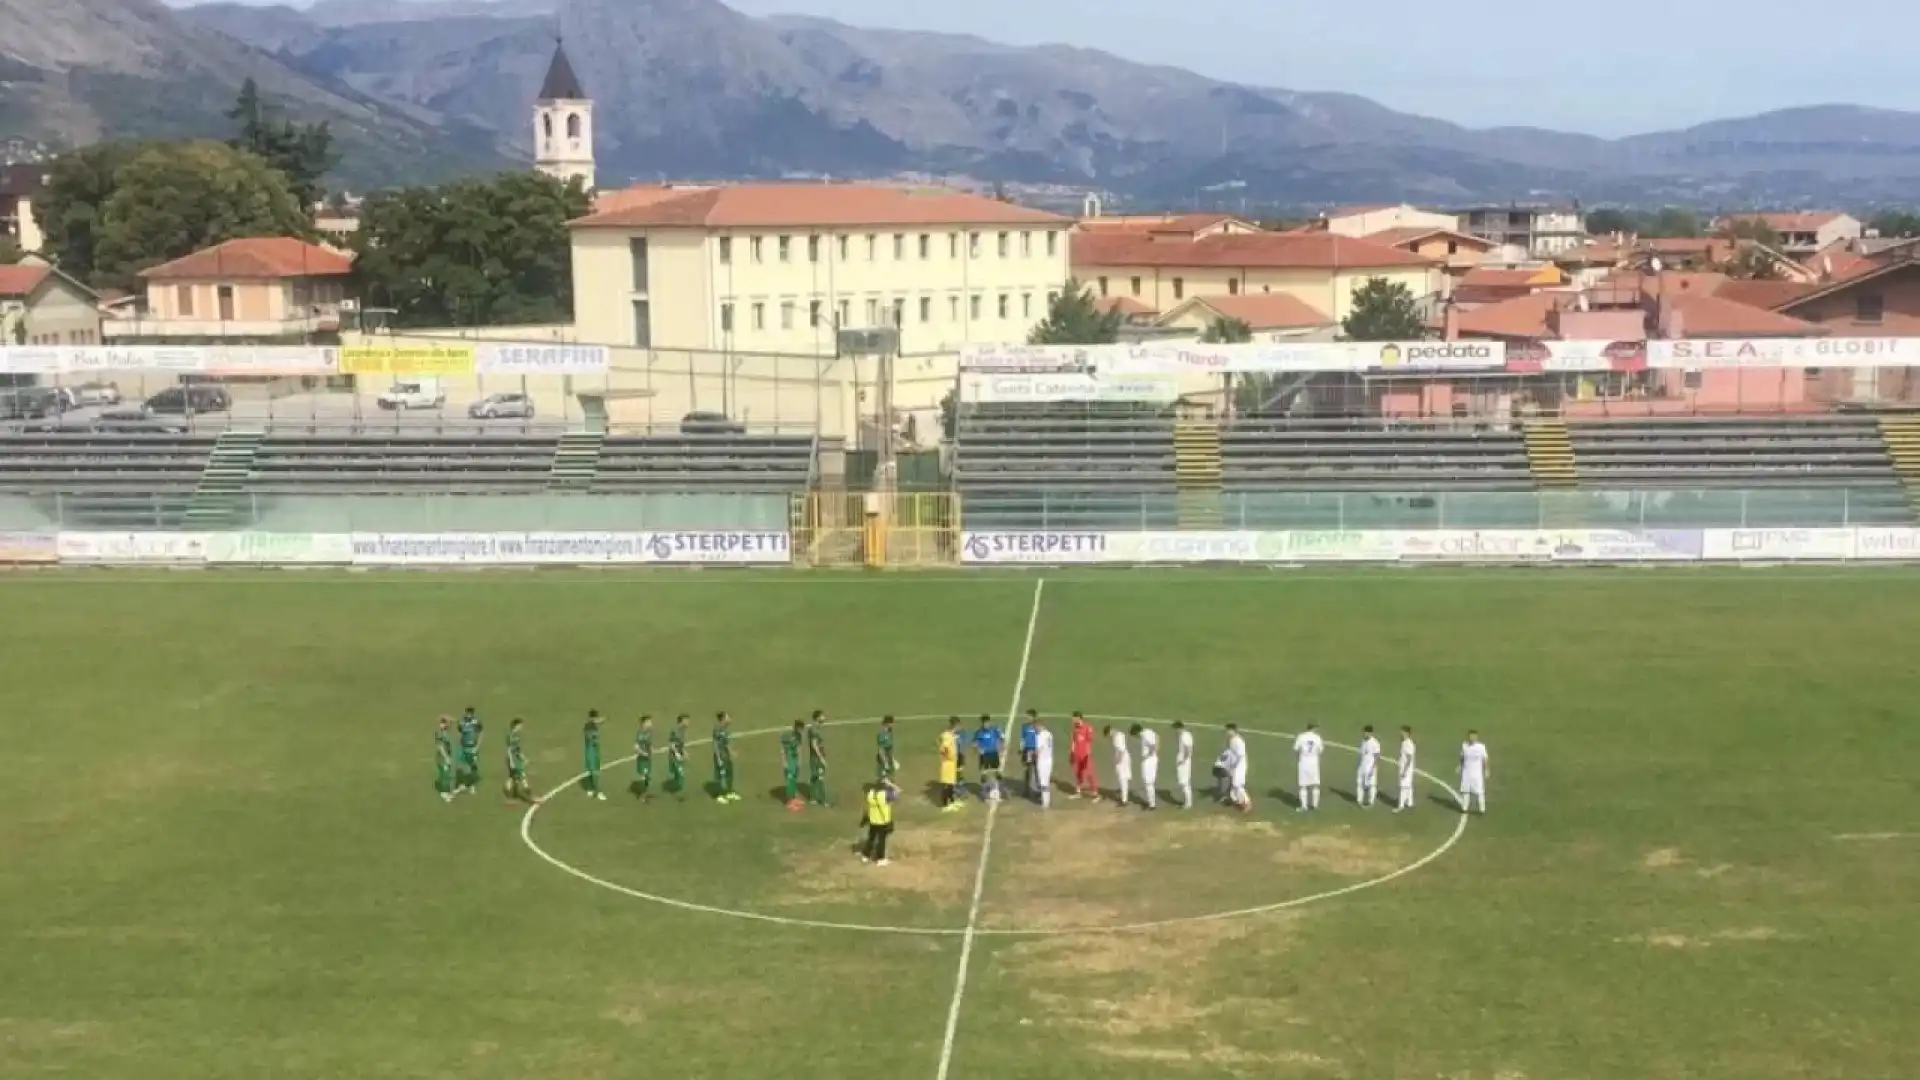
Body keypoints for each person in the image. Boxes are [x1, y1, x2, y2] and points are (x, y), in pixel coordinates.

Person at [860, 779, 899, 865]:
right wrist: (891, 784)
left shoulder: (870, 794)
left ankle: (865, 855)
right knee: (881, 841)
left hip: (873, 820)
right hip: (883, 821)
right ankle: (880, 859)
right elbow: (897, 792)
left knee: (871, 838)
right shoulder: (885, 795)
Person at [1293, 722, 1324, 812]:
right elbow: (1321, 750)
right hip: (1314, 762)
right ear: (1314, 728)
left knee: (1303, 786)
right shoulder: (1317, 738)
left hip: (1303, 762)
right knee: (1315, 785)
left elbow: (1296, 749)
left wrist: (1298, 759)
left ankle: (1304, 806)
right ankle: (1315, 805)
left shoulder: (1301, 736)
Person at [974, 713, 1005, 801]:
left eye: (987, 723)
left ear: (989, 722)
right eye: (984, 723)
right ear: (982, 723)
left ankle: (998, 791)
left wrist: (1001, 747)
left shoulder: (995, 730)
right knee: (984, 774)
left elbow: (1002, 738)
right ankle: (984, 794)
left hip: (994, 754)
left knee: (997, 773)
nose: (986, 725)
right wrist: (979, 748)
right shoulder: (979, 732)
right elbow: (974, 743)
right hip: (984, 756)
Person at [1459, 730, 1490, 814]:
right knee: (1466, 791)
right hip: (1466, 773)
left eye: (1473, 736)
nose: (1472, 738)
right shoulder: (1464, 746)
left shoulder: (1481, 747)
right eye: (1470, 736)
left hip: (1477, 774)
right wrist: (1460, 766)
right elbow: (1462, 757)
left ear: (1477, 737)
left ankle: (1482, 809)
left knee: (1480, 792)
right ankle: (1464, 808)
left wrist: (1486, 770)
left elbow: (1485, 758)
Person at [712, 712, 739, 803]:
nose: (729, 718)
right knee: (721, 775)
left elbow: (727, 743)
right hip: (720, 755)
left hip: (726, 756)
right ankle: (719, 795)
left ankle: (729, 792)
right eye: (727, 717)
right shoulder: (717, 730)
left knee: (729, 774)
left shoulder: (726, 730)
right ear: (723, 718)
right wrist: (718, 758)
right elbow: (715, 744)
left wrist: (732, 753)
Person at [455, 706, 483, 796]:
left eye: (470, 714)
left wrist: (477, 747)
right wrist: (460, 743)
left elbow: (481, 733)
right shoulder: (462, 722)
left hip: (472, 747)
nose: (468, 715)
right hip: (464, 747)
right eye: (467, 714)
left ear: (473, 714)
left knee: (471, 767)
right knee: (463, 766)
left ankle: (471, 786)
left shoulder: (476, 723)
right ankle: (464, 783)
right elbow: (459, 732)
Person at [936, 718, 962, 812]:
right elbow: (944, 747)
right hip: (948, 763)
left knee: (951, 784)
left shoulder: (951, 734)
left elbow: (939, 739)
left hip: (952, 763)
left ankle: (951, 802)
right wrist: (946, 756)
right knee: (946, 784)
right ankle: (944, 805)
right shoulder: (947, 735)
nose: (960, 727)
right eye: (959, 725)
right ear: (955, 725)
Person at [505, 717, 533, 803]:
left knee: (512, 778)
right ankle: (529, 795)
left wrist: (524, 758)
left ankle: (509, 796)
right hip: (513, 760)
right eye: (520, 725)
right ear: (516, 726)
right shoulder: (511, 736)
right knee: (522, 776)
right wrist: (512, 762)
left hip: (516, 759)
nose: (521, 727)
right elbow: (509, 750)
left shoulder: (517, 736)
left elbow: (518, 750)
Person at [581, 710, 606, 800]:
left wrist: (601, 720)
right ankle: (598, 791)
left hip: (595, 751)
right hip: (591, 751)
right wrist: (594, 738)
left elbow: (600, 720)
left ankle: (590, 788)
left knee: (595, 771)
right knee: (594, 772)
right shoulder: (589, 726)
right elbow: (589, 737)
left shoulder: (592, 724)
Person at [1070, 712, 1096, 798]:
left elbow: (1089, 741)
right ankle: (1078, 792)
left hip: (1085, 754)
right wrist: (1072, 753)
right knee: (1078, 773)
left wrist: (1088, 754)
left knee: (1089, 773)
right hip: (1077, 754)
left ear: (1079, 718)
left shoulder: (1088, 727)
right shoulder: (1075, 728)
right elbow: (1074, 741)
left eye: (1074, 718)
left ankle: (1095, 792)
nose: (1073, 720)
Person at [1133, 723, 1159, 810]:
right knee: (1149, 782)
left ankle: (1152, 805)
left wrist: (1149, 754)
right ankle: (1151, 802)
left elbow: (1153, 745)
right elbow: (1157, 736)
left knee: (1148, 782)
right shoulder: (1148, 731)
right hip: (1152, 759)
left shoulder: (1144, 735)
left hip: (1149, 761)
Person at [806, 709, 830, 806]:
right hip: (816, 758)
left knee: (815, 777)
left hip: (815, 757)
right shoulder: (814, 730)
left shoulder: (815, 728)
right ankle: (823, 800)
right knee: (821, 778)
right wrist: (821, 758)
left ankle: (813, 798)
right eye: (822, 716)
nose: (824, 718)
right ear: (817, 717)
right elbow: (814, 744)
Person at [781, 720, 805, 809]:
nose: (801, 730)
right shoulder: (787, 736)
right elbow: (783, 750)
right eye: (800, 728)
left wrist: (799, 761)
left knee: (794, 779)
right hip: (789, 759)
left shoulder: (799, 736)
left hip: (795, 760)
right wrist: (784, 762)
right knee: (790, 780)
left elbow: (799, 748)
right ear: (796, 727)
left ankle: (794, 798)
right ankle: (789, 801)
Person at [1226, 723, 1251, 811]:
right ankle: (1237, 801)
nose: (1227, 733)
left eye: (1229, 731)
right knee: (1234, 784)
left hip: (1240, 765)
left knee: (1237, 784)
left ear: (1233, 730)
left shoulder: (1239, 741)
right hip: (1235, 765)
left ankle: (1247, 802)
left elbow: (1240, 755)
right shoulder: (1232, 740)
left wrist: (1233, 765)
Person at [1106, 725, 1132, 807]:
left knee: (1122, 779)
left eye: (1109, 734)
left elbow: (1121, 750)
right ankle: (1124, 798)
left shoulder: (1117, 738)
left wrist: (1117, 760)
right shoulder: (1120, 734)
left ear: (1110, 731)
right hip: (1125, 758)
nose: (1109, 736)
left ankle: (1124, 801)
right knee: (1124, 779)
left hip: (1122, 759)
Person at [1356, 724, 1381, 808]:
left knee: (1371, 785)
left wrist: (1373, 768)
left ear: (1371, 733)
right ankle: (1359, 800)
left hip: (1370, 767)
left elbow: (1377, 756)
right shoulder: (1363, 741)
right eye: (1364, 732)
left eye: (1366, 733)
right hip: (1362, 766)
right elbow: (1361, 754)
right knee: (1359, 783)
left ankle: (1371, 802)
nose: (1365, 734)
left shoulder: (1375, 743)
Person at [1032, 717, 1055, 808]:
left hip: (1042, 761)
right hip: (1049, 760)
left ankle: (1045, 802)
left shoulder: (1040, 735)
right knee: (1045, 781)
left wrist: (1033, 755)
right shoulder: (1049, 734)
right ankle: (1046, 799)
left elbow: (1039, 749)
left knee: (1043, 782)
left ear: (1038, 725)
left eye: (1035, 727)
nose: (1034, 729)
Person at [1395, 725, 1417, 813]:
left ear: (1407, 733)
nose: (1400, 734)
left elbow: (1409, 758)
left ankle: (1400, 806)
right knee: (1408, 786)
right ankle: (1410, 803)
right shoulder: (1404, 742)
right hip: (1405, 768)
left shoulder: (1408, 744)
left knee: (1403, 787)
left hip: (1406, 769)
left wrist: (1404, 770)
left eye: (1402, 732)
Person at [1173, 720, 1194, 809]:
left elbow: (1189, 750)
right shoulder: (1185, 735)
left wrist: (1183, 760)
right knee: (1184, 782)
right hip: (1183, 761)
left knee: (1184, 783)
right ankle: (1188, 802)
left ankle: (1188, 803)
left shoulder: (1185, 736)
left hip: (1184, 763)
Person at [632, 715, 654, 801]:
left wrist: (651, 748)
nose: (651, 724)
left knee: (648, 777)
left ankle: (644, 793)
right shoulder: (640, 733)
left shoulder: (649, 732)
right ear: (644, 723)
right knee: (643, 777)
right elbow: (635, 747)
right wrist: (643, 753)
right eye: (649, 722)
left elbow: (649, 743)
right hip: (642, 759)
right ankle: (641, 796)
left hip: (648, 758)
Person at [667, 714, 689, 798]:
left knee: (678, 774)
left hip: (679, 755)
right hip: (674, 757)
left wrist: (684, 752)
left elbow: (680, 745)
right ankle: (678, 794)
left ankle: (676, 790)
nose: (688, 723)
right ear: (682, 721)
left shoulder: (682, 731)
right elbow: (671, 744)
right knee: (680, 774)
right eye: (686, 720)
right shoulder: (675, 731)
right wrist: (676, 754)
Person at [434, 716, 455, 803]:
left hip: (445, 757)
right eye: (442, 723)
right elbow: (440, 747)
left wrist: (449, 719)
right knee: (445, 775)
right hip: (442, 758)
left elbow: (452, 722)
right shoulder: (440, 734)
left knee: (445, 774)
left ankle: (445, 791)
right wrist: (446, 758)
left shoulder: (445, 733)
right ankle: (444, 793)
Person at [1019, 709, 1040, 795]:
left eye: (1029, 716)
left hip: (1036, 751)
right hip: (1027, 750)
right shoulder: (1024, 726)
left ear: (1033, 717)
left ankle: (1039, 790)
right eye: (1027, 716)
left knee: (1037, 770)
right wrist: (1021, 748)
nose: (1027, 718)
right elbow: (1022, 738)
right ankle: (1026, 790)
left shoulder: (1037, 726)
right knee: (1027, 770)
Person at [875, 715, 898, 781]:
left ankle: (890, 786)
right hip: (883, 757)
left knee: (891, 774)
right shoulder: (881, 734)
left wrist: (892, 758)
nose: (893, 725)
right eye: (892, 723)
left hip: (889, 756)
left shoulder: (890, 731)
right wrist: (885, 762)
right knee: (884, 776)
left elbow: (890, 746)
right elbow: (880, 749)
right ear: (887, 723)